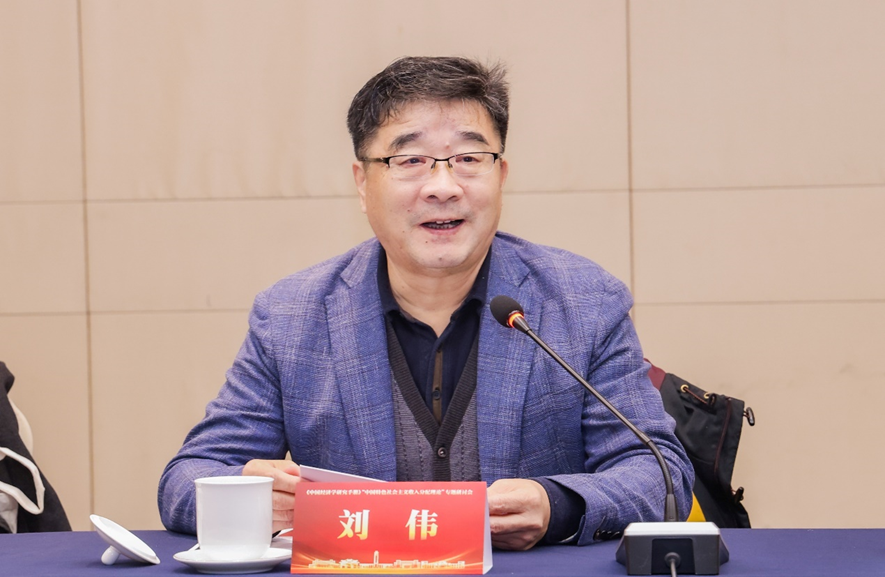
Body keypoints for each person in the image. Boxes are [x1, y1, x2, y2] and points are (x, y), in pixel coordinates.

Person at [158, 56, 693, 550]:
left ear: (501, 176)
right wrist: (247, 493)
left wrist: (559, 505)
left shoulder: (583, 302)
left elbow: (658, 470)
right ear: (362, 184)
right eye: (410, 159)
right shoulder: (292, 317)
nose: (443, 186)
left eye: (468, 158)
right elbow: (185, 480)